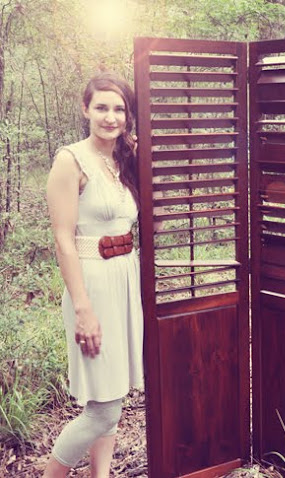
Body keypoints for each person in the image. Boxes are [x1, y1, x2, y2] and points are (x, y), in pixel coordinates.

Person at [44, 72, 144, 478]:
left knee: (112, 393)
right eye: (102, 107)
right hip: (93, 285)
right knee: (102, 412)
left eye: (119, 109)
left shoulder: (125, 158)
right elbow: (63, 239)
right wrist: (83, 308)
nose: (111, 117)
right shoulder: (70, 161)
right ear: (85, 109)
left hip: (126, 280)